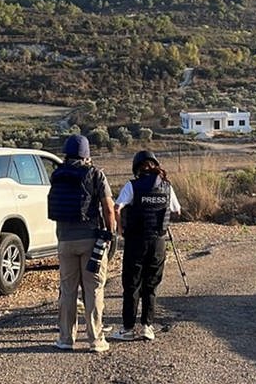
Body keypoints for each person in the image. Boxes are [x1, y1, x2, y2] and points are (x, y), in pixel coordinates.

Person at [48, 134, 117, 352]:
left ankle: (66, 339)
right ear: (86, 154)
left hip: (64, 240)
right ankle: (96, 339)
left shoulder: (57, 175)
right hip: (90, 239)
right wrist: (111, 233)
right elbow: (107, 207)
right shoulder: (95, 174)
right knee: (94, 288)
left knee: (68, 290)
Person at [109, 150, 181, 342]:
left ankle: (128, 328)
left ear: (137, 167)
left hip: (136, 241)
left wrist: (120, 229)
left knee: (132, 285)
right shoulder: (167, 186)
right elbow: (177, 209)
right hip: (158, 241)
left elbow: (117, 207)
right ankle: (147, 327)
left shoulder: (132, 186)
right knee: (151, 285)